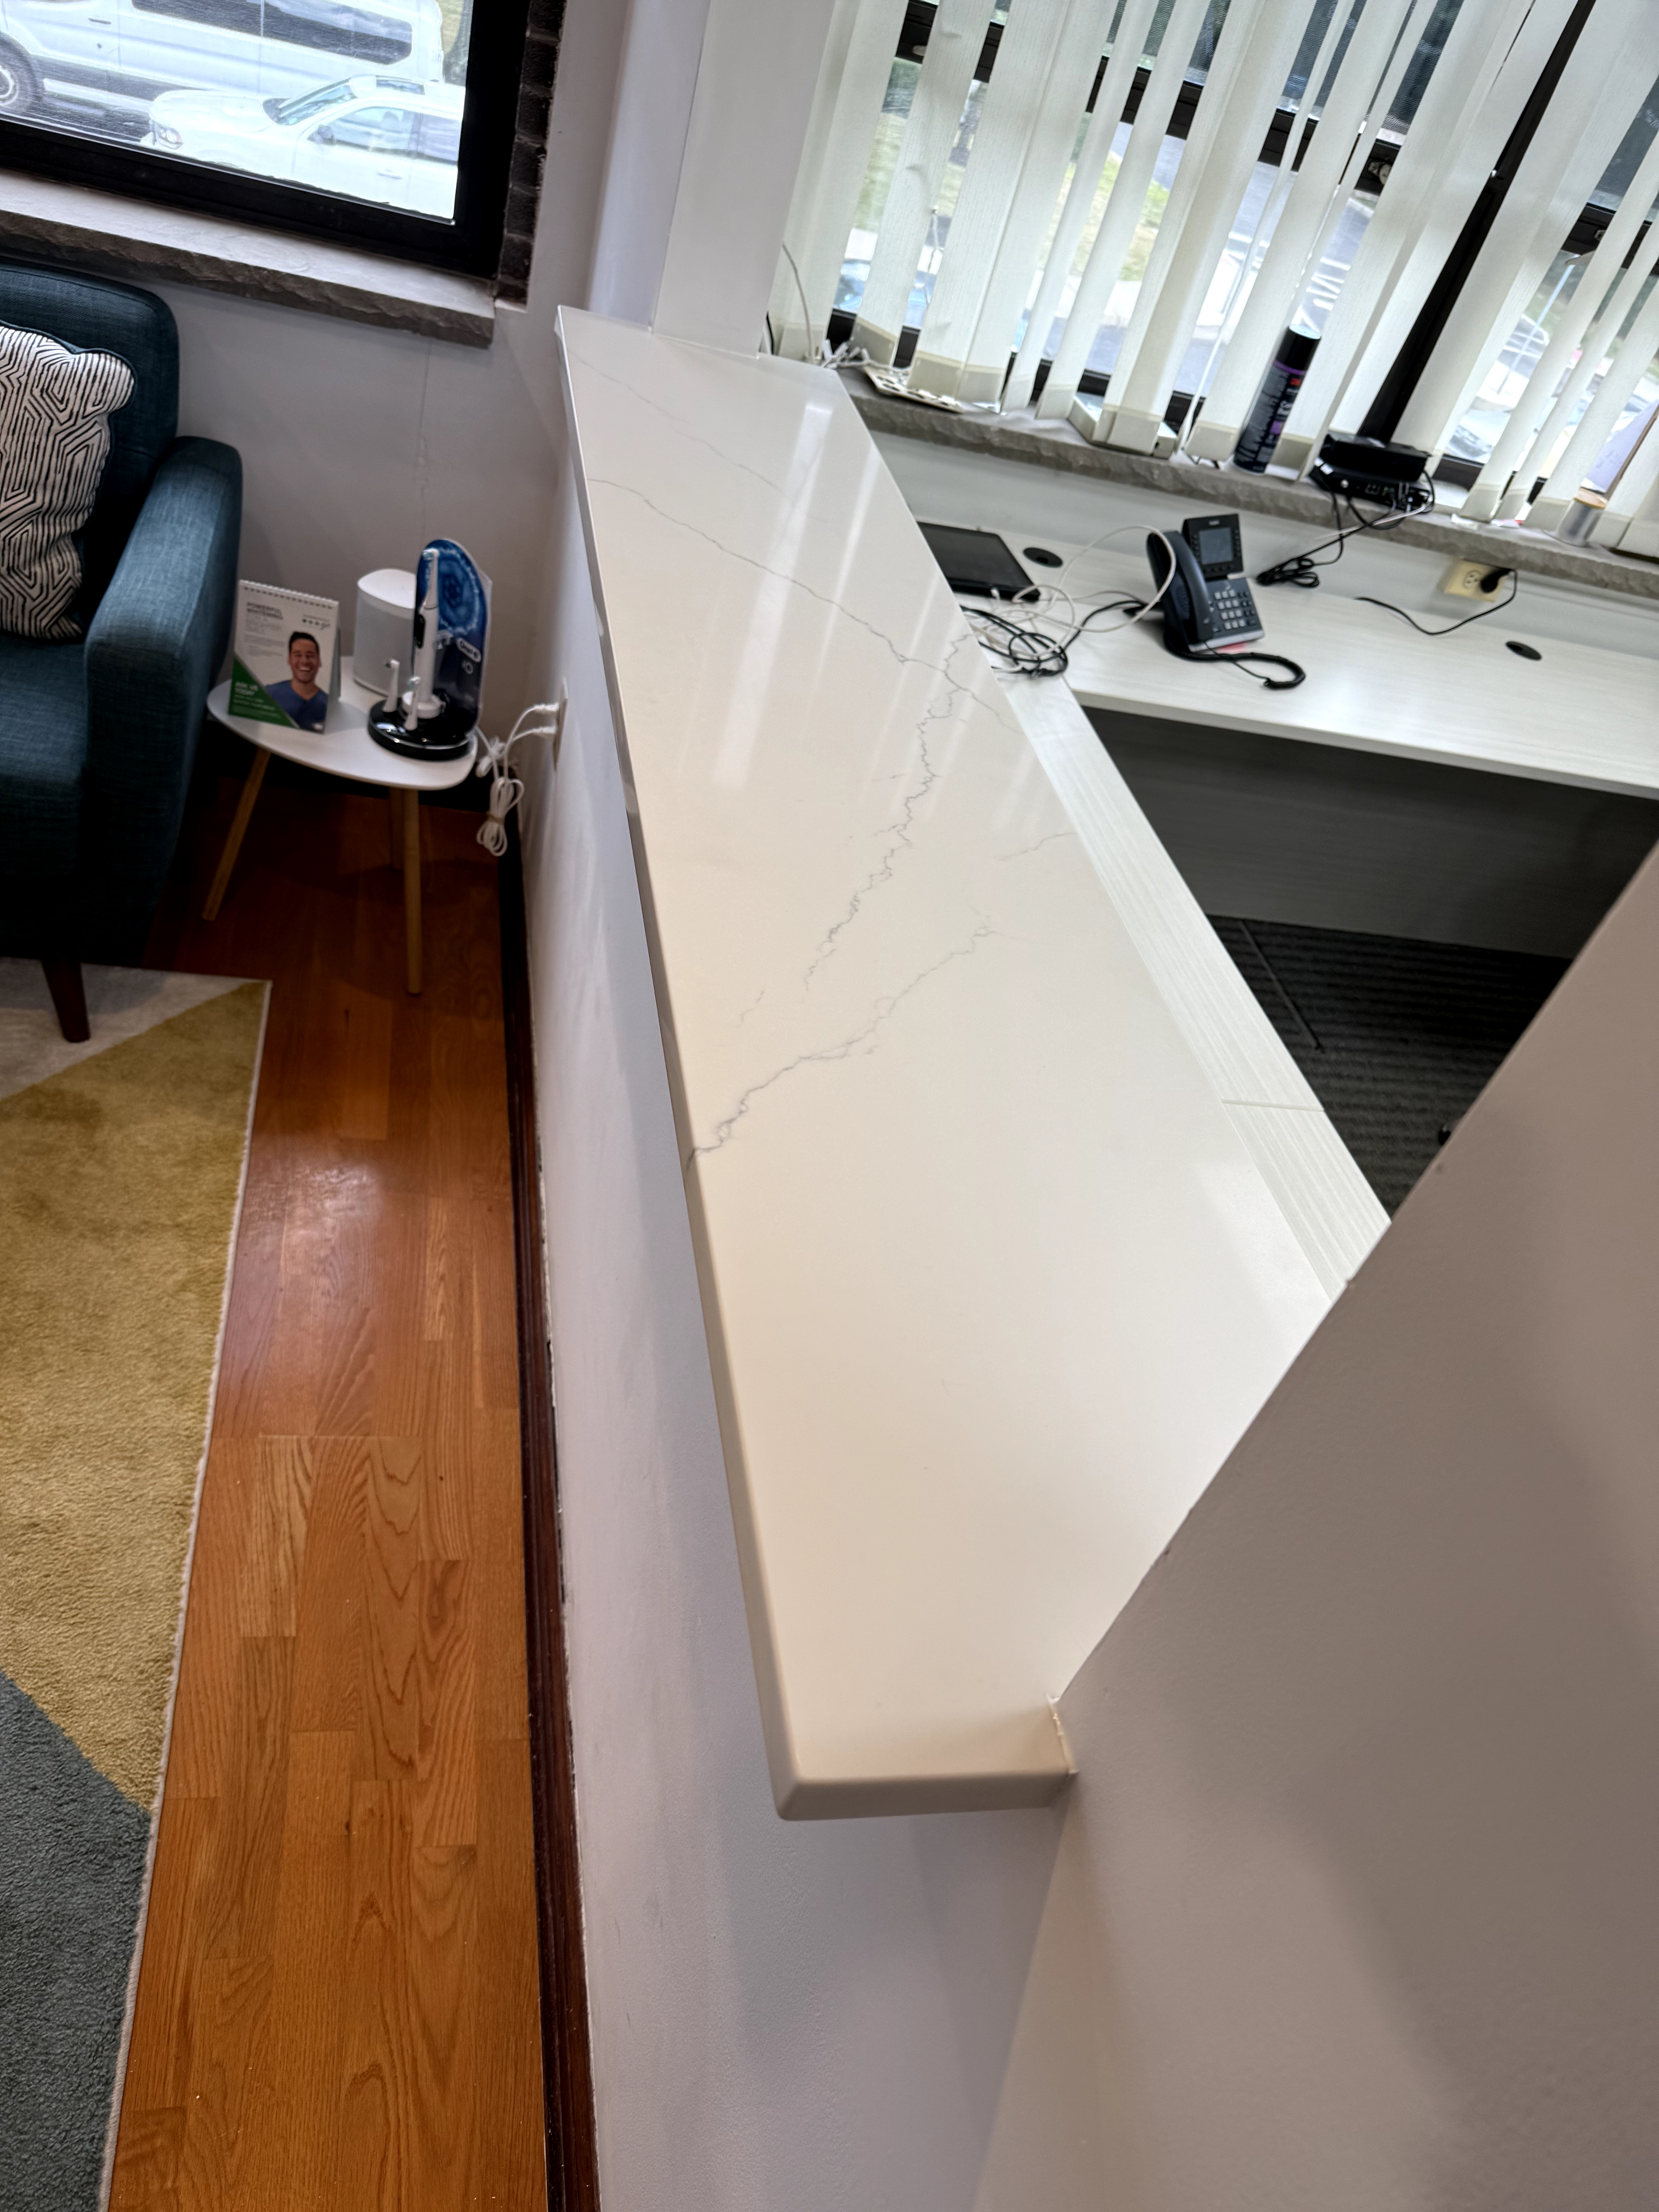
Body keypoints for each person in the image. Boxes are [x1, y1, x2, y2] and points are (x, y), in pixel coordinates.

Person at [266, 630, 328, 731]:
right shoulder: (269, 695)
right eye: (298, 655)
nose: (304, 661)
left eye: (311, 656)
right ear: (289, 659)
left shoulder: (328, 705)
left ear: (319, 661)